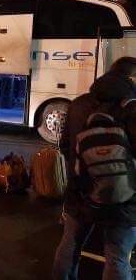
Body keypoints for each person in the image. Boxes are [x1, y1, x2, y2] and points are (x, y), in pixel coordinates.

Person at [53, 56, 136, 280]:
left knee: (70, 245)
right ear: (131, 78)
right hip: (123, 196)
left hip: (80, 190)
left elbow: (64, 145)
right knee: (117, 257)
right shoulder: (132, 108)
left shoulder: (79, 103)